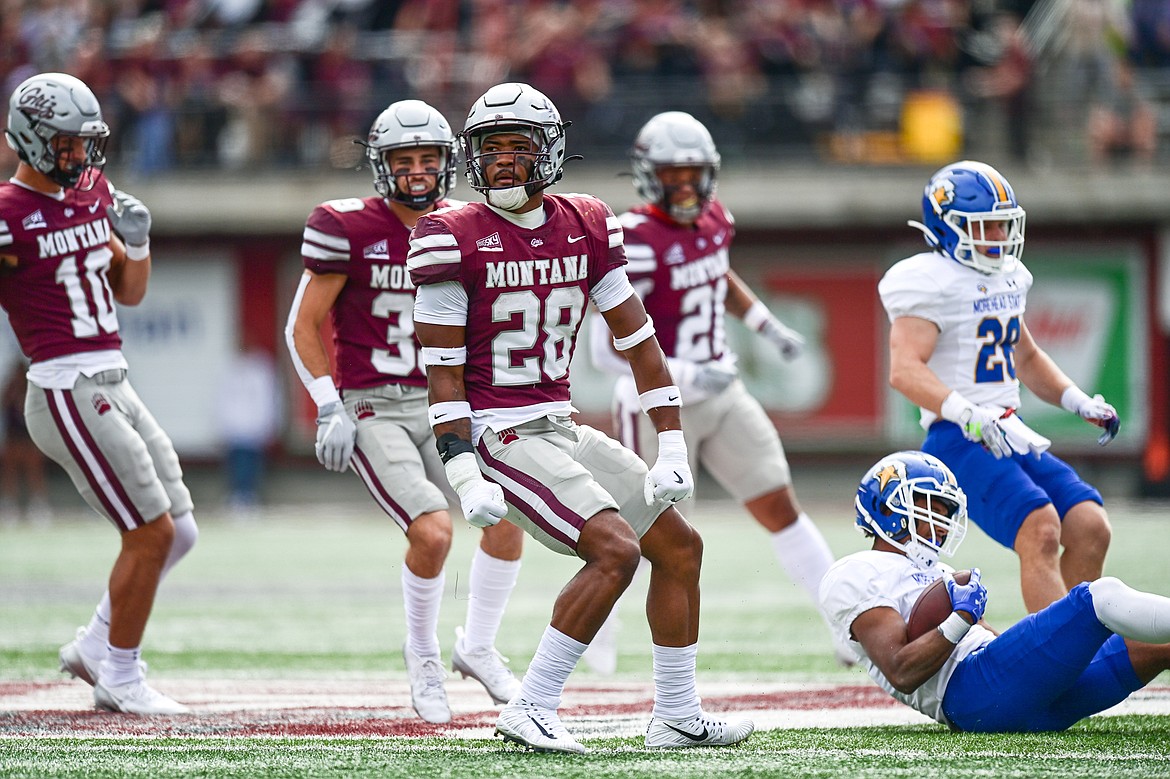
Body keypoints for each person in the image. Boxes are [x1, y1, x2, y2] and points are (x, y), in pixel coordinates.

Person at [408, 82, 754, 753]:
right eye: (490, 148)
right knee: (615, 549)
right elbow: (443, 375)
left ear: (550, 151)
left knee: (680, 546)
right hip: (497, 430)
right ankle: (532, 706)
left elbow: (641, 343)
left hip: (556, 423)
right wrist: (463, 471)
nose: (504, 161)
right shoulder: (449, 236)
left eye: (519, 146)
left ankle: (678, 713)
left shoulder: (589, 223)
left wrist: (673, 446)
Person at [285, 99, 526, 724]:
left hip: (446, 402)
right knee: (433, 528)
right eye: (403, 159)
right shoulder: (348, 227)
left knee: (505, 519)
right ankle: (422, 653)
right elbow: (302, 325)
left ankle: (476, 646)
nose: (417, 172)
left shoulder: (465, 225)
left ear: (447, 162)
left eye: (427, 159)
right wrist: (327, 403)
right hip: (376, 406)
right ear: (380, 164)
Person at [586, 110, 852, 671]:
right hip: (655, 403)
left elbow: (717, 275)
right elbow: (605, 352)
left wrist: (766, 326)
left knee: (780, 504)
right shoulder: (633, 240)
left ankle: (845, 626)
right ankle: (597, 644)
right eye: (672, 175)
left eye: (694, 174)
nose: (685, 186)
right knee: (632, 533)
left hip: (723, 392)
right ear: (646, 175)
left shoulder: (715, 221)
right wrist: (685, 373)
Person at [0, 72, 197, 714]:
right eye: (64, 144)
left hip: (111, 373)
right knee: (151, 531)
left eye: (84, 143)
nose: (79, 156)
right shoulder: (7, 214)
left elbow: (129, 290)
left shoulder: (90, 190)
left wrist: (135, 242)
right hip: (64, 385)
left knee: (181, 529)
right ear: (30, 141)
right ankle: (120, 672)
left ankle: (95, 644)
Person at [879, 160, 1118, 614]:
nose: (997, 238)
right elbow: (904, 370)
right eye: (983, 227)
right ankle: (1051, 661)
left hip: (1010, 428)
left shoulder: (1007, 275)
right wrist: (967, 411)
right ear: (946, 228)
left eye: (1001, 226)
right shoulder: (928, 280)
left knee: (1089, 525)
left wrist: (1077, 400)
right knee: (1041, 529)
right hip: (959, 438)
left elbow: (1024, 356)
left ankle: (1078, 642)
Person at [820, 450, 1170, 732]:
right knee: (1098, 597)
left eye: (947, 510)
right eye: (931, 506)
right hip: (970, 693)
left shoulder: (936, 571)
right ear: (887, 507)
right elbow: (901, 670)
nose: (942, 523)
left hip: (1012, 697)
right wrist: (960, 619)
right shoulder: (855, 573)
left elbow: (986, 639)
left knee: (1155, 646)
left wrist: (1033, 657)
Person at [1, 356, 53, 524]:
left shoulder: (34, 391)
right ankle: (9, 506)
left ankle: (38, 506)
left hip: (29, 437)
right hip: (13, 437)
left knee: (34, 473)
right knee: (10, 473)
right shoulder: (11, 389)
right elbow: (4, 406)